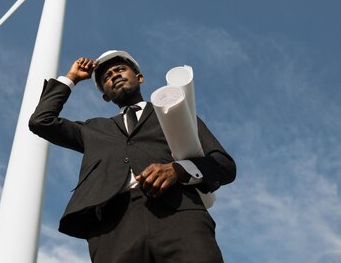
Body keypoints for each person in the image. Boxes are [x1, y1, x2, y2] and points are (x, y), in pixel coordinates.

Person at [29, 50, 236, 263]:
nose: (114, 76)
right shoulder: (93, 129)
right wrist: (71, 78)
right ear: (106, 96)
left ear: (139, 78)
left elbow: (224, 165)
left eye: (120, 69)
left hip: (179, 213)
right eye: (106, 77)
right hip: (113, 228)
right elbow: (41, 121)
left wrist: (178, 170)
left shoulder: (174, 113)